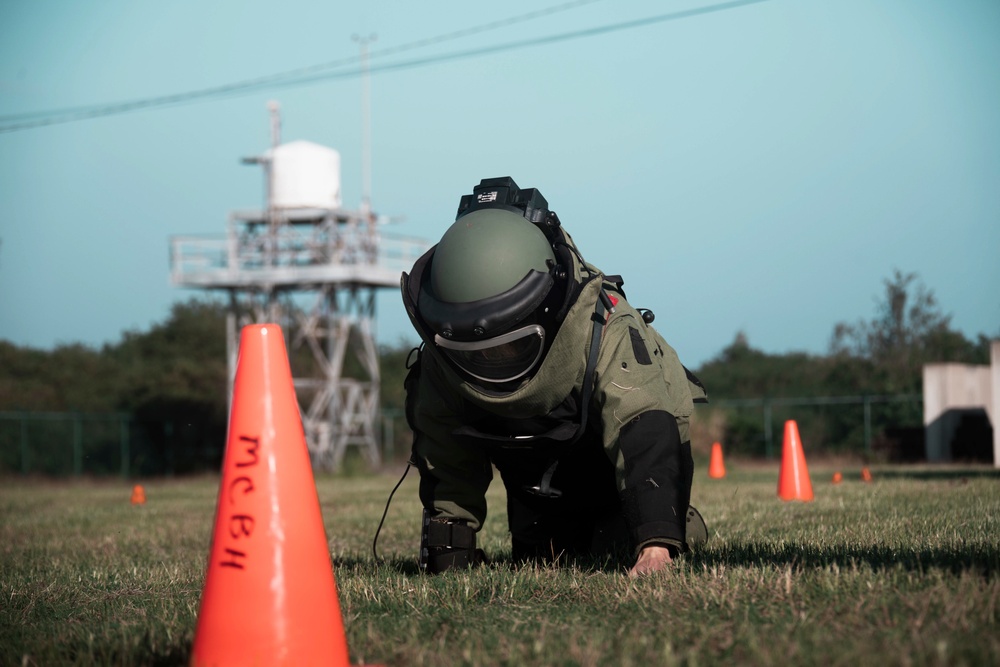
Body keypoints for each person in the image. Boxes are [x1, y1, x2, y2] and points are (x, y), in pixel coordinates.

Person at [400, 177, 708, 577]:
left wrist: (656, 545)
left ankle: (670, 526)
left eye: (509, 347)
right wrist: (448, 553)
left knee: (623, 543)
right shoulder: (441, 359)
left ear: (544, 311)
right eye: (479, 353)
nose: (493, 360)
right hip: (535, 494)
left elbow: (643, 424)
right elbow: (444, 457)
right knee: (543, 557)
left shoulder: (605, 326)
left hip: (614, 484)